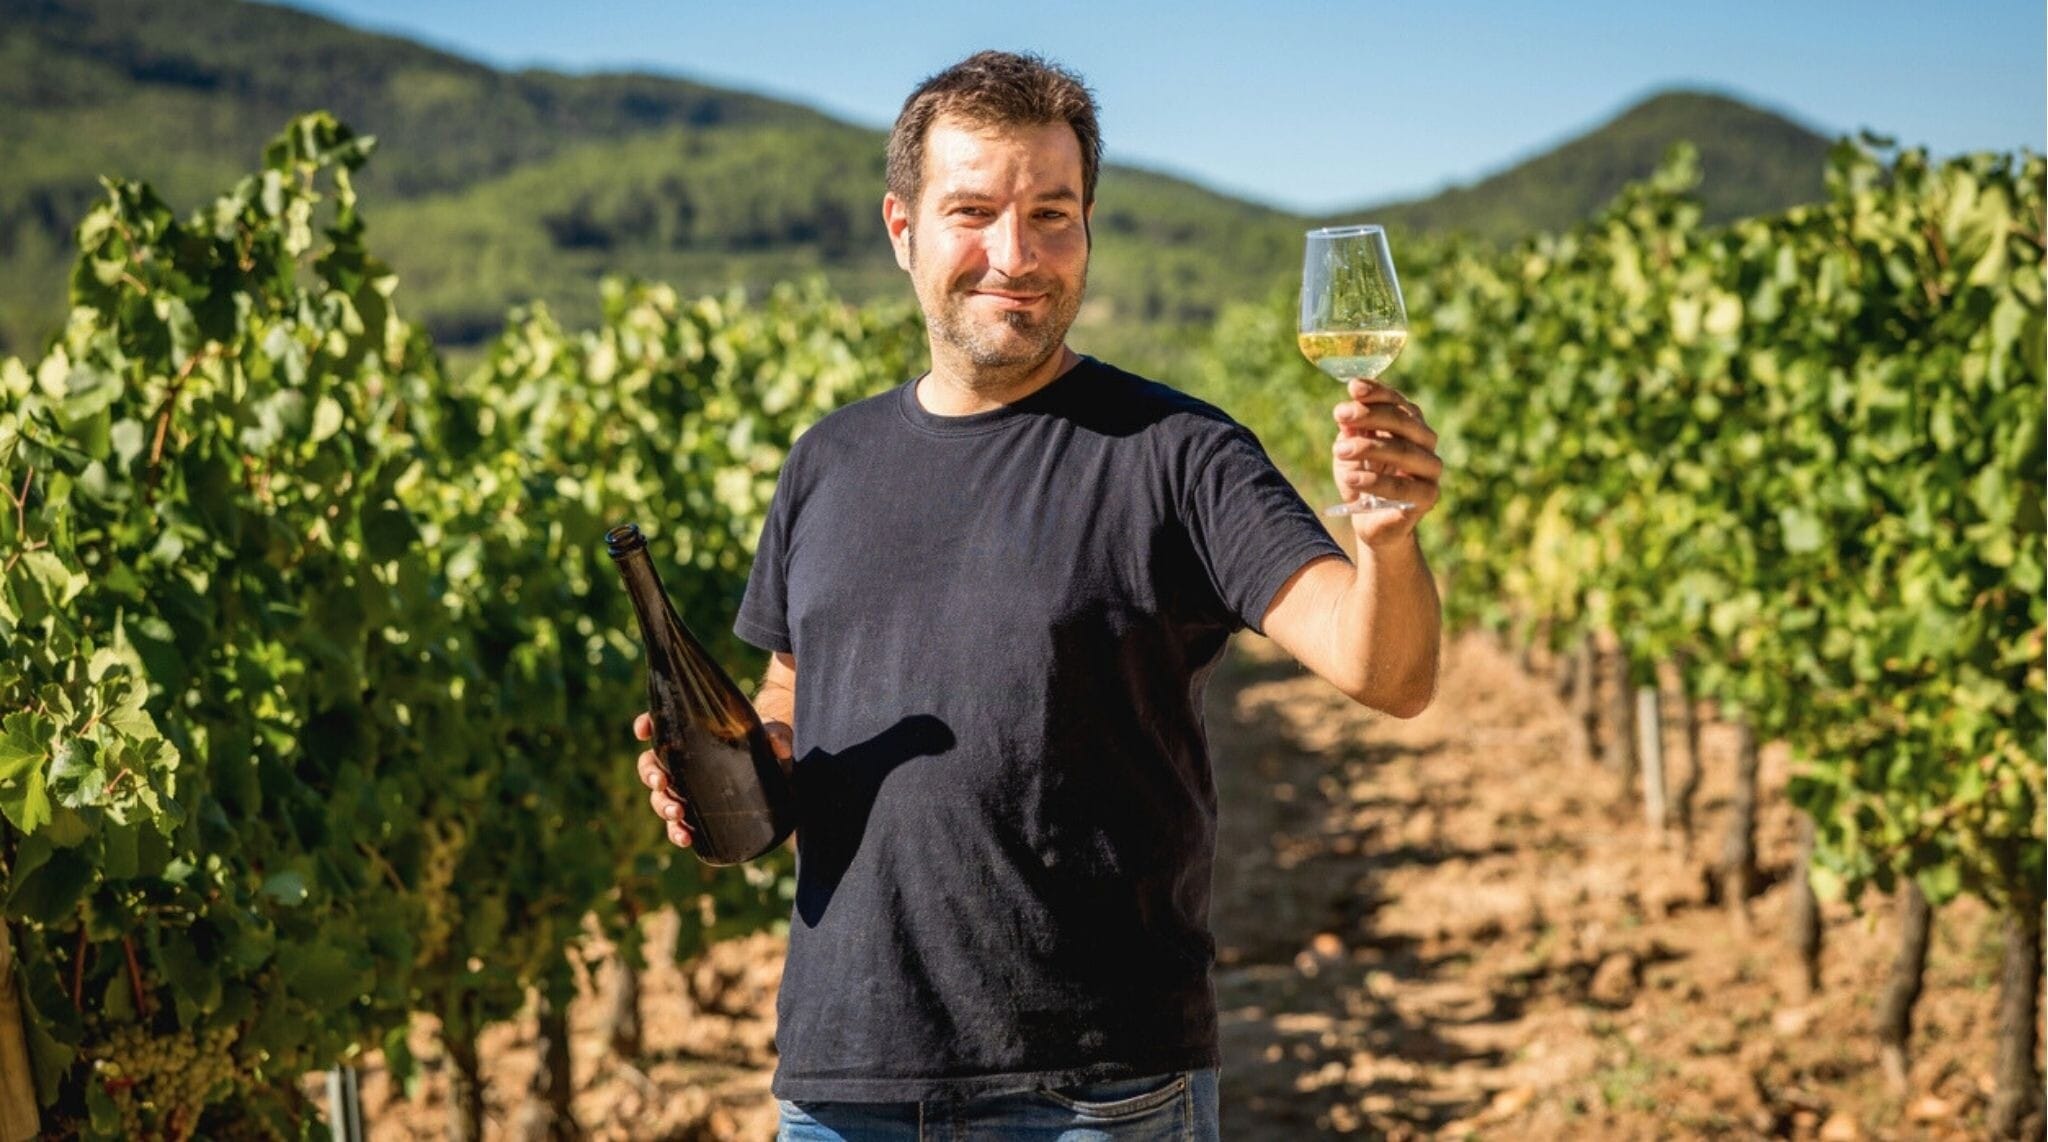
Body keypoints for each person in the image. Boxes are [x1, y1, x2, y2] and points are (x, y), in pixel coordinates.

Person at [633, 49, 1443, 1141]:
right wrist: (746, 765)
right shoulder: (826, 461)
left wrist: (1385, 537)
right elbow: (789, 689)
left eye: (1051, 214)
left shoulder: (1178, 452)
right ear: (901, 227)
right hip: (839, 1084)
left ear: (1088, 230)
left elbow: (1384, 672)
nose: (1014, 255)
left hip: (1095, 1092)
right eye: (972, 210)